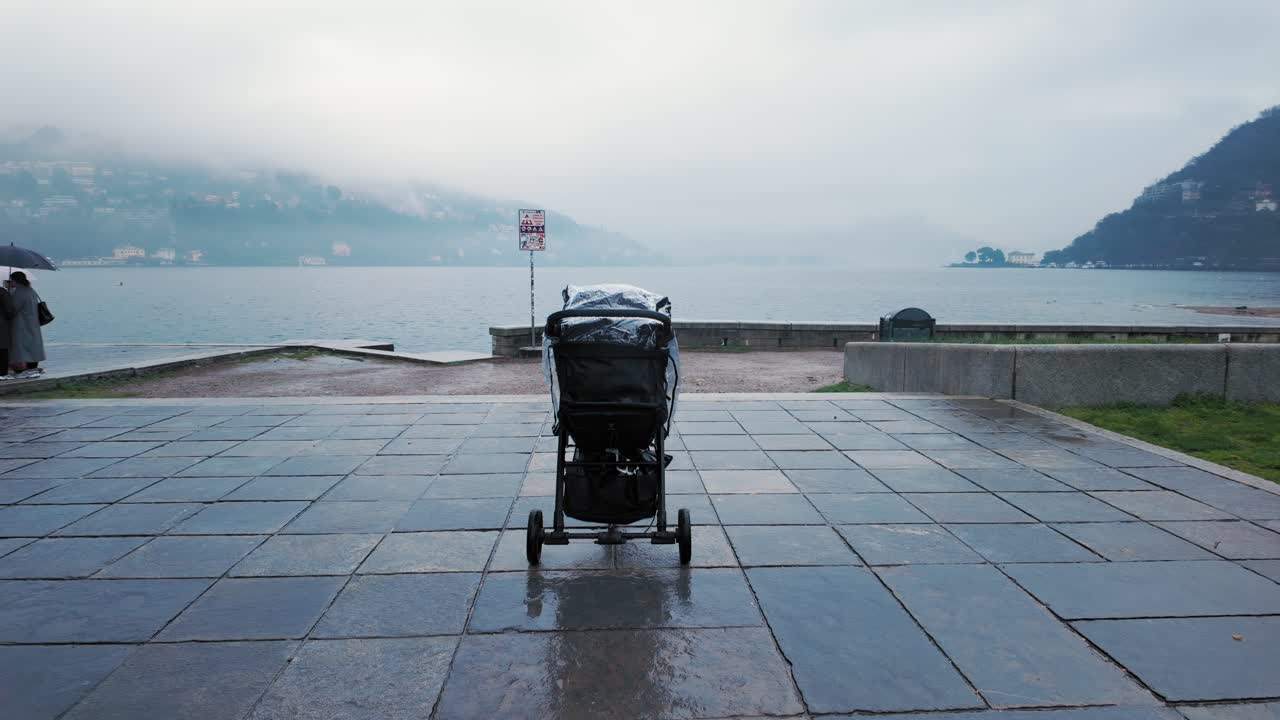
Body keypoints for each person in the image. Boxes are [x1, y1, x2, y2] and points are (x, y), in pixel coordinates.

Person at [7, 272, 46, 379]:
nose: (10, 283)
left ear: (15, 280)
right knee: (33, 345)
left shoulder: (19, 292)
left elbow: (14, 308)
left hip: (21, 324)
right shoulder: (30, 290)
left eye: (11, 281)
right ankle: (33, 370)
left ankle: (22, 371)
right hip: (33, 322)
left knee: (20, 347)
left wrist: (9, 295)